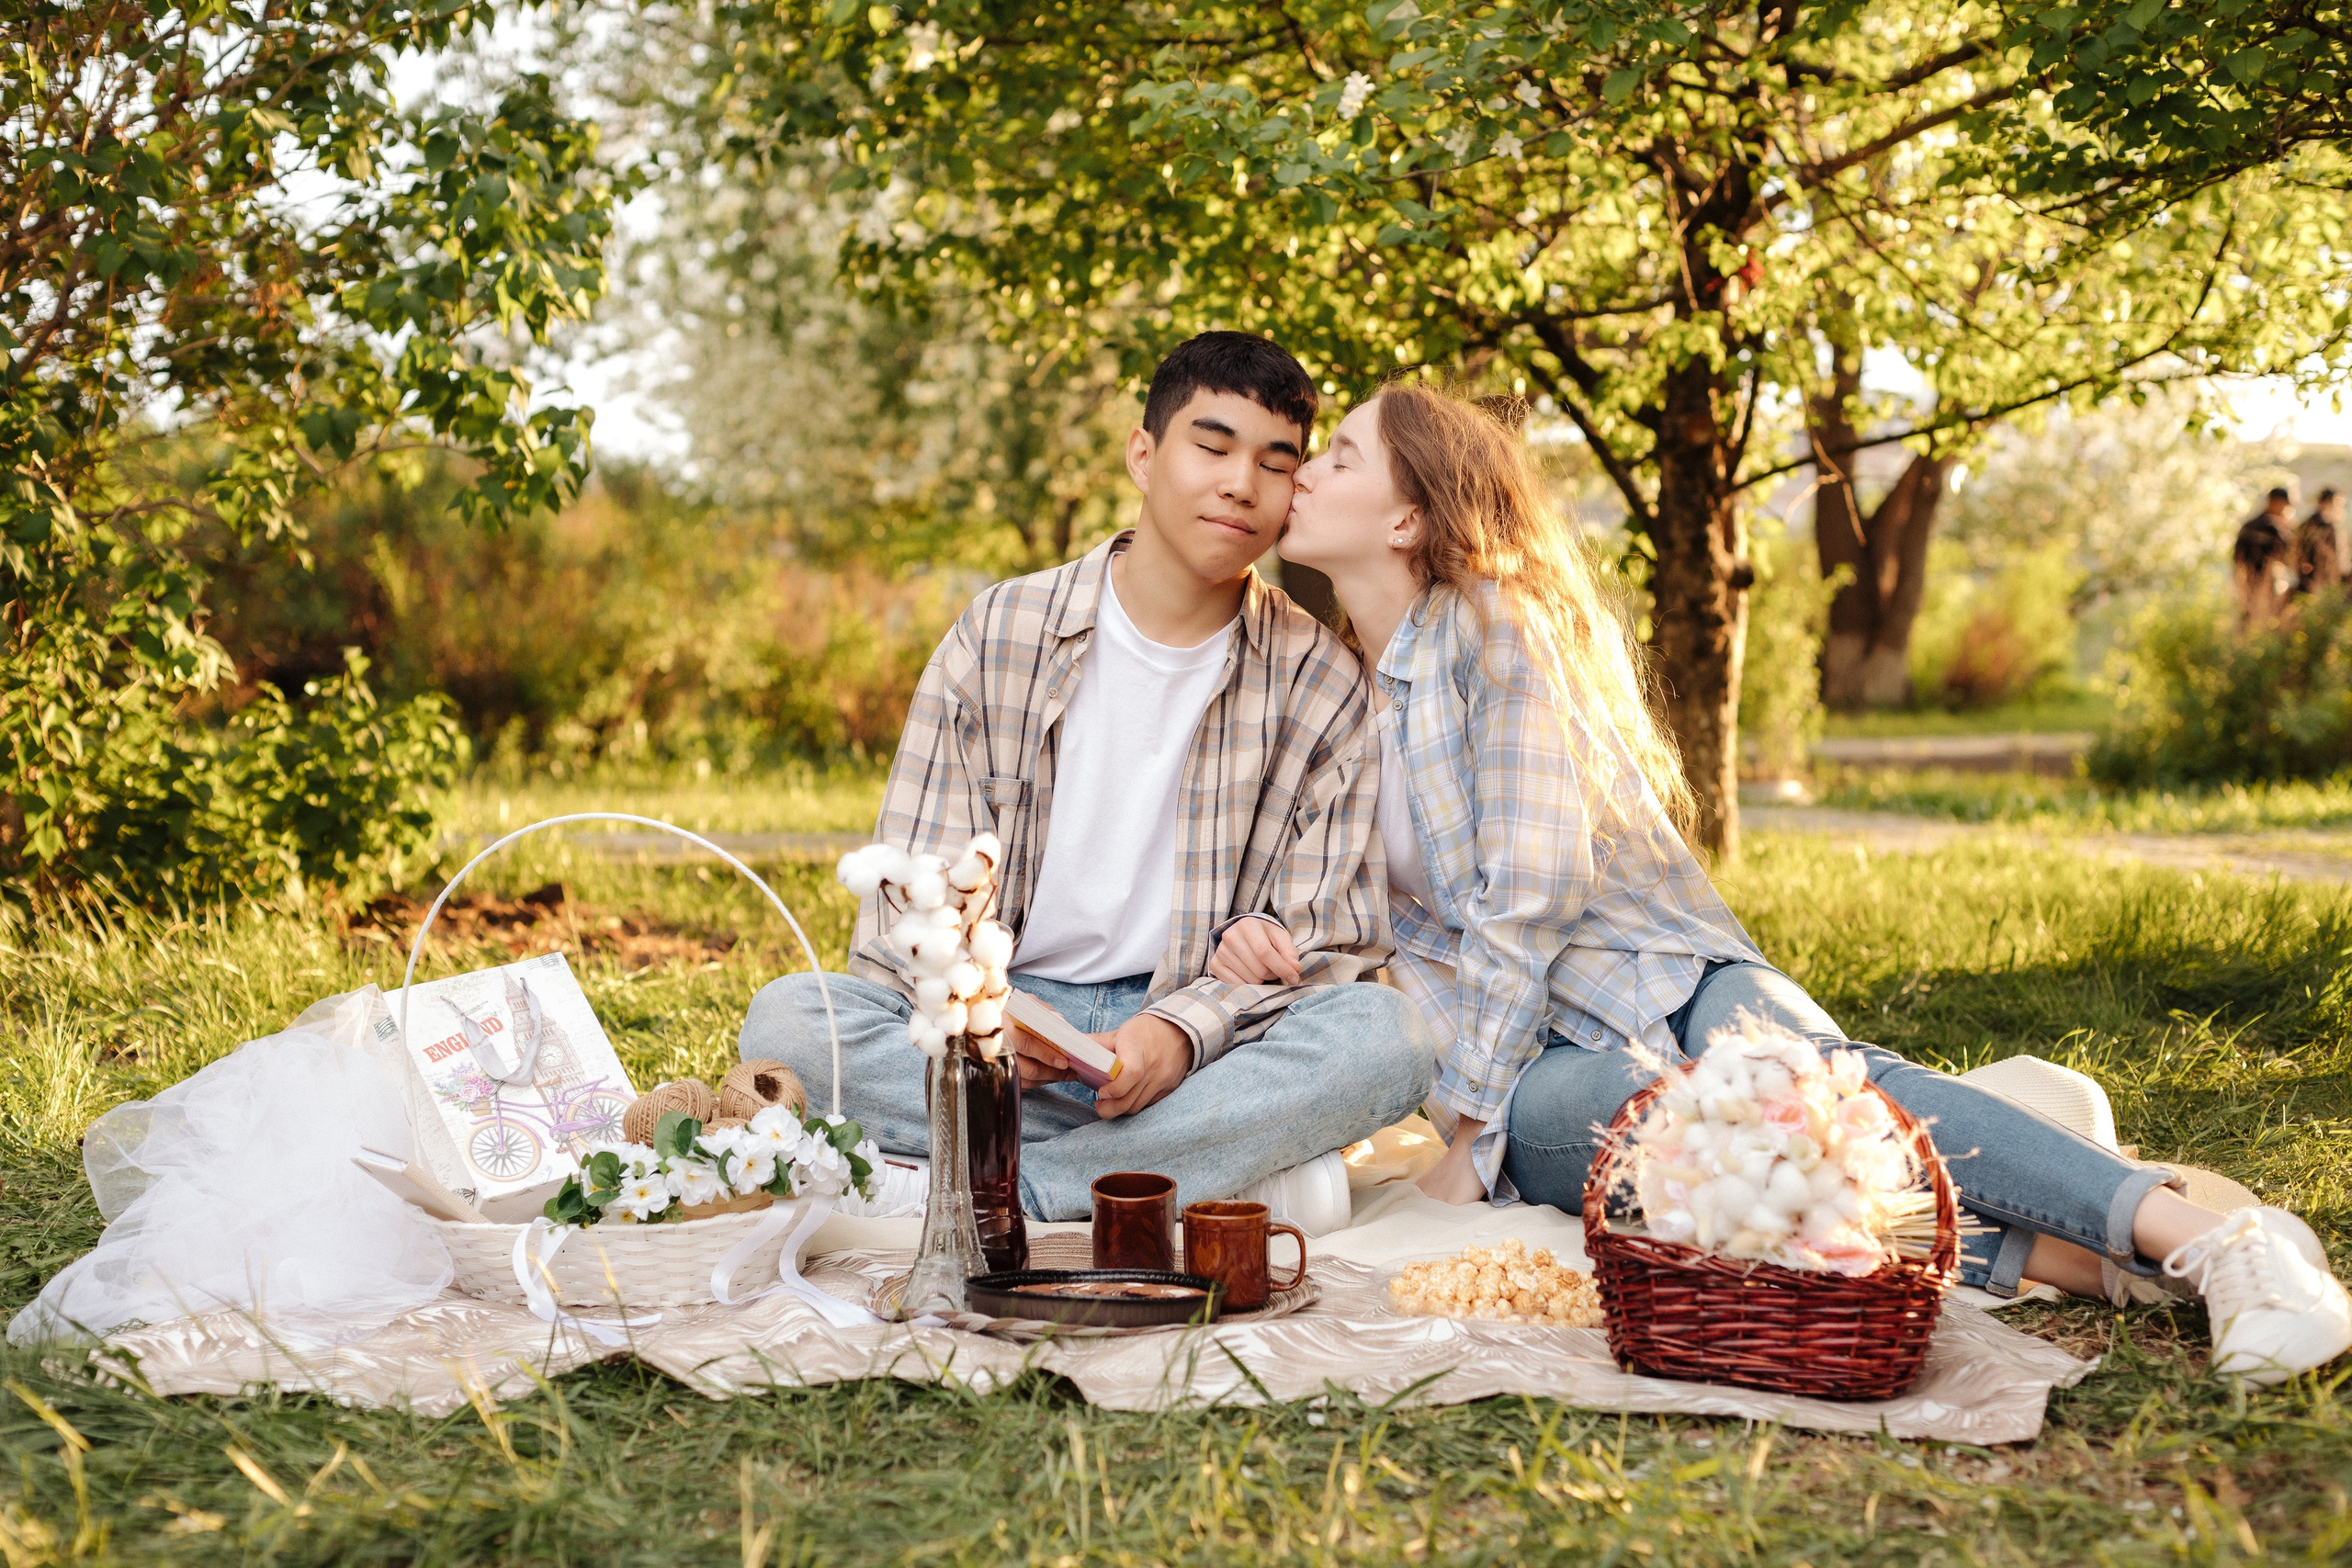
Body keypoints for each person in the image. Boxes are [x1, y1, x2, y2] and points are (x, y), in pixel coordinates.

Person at [1222, 380, 2352, 1385]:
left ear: (1407, 518)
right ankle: (2090, 1257)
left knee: (1811, 1094)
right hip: (1533, 1064)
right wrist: (1274, 950)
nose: (1302, 473)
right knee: (1702, 1154)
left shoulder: (1492, 626)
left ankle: (2214, 1244)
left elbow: (1531, 893)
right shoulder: (1349, 693)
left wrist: (1466, 1137)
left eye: (1337, 457)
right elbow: (1364, 924)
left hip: (1657, 970)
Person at [737, 333, 1433, 1233]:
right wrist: (987, 1013)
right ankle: (1171, 1164)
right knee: (790, 1022)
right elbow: (912, 903)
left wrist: (1178, 1033)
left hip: (1195, 1034)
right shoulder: (1001, 632)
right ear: (1143, 455)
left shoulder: (1318, 679)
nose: (1240, 485)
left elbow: (1330, 943)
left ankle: (1008, 1183)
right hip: (1006, 1023)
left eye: (1275, 463)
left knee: (1385, 1039)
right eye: (1212, 447)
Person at [2234, 487, 2296, 627]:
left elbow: (2237, 559)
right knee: (2270, 623)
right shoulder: (2275, 528)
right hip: (2269, 584)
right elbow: (2288, 557)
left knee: (2249, 620)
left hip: (2248, 583)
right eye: (2284, 505)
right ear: (2276, 502)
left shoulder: (2249, 526)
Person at [2295, 488, 2344, 595]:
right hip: (2316, 581)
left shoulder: (2309, 523)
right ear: (2327, 503)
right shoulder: (2322, 525)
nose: (2341, 509)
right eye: (2338, 504)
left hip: (2312, 580)